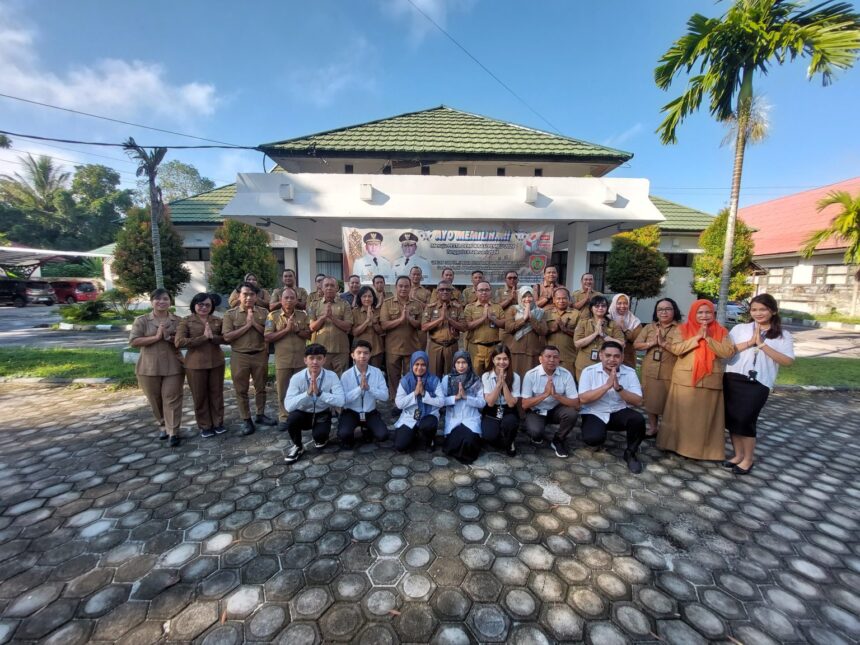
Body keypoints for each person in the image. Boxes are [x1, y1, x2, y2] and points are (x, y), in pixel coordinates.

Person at [723, 294, 795, 475]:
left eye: (763, 309)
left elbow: (787, 361)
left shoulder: (782, 335)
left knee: (746, 420)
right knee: (733, 419)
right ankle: (738, 455)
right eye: (754, 309)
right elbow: (726, 353)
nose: (758, 313)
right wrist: (750, 342)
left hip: (758, 383)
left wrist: (762, 345)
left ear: (773, 310)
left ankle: (748, 459)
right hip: (733, 378)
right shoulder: (740, 328)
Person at [657, 299, 735, 461]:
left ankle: (702, 452)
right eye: (700, 312)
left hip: (709, 380)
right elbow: (676, 349)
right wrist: (697, 338)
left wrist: (708, 339)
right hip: (685, 379)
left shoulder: (721, 331)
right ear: (694, 313)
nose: (704, 316)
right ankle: (676, 446)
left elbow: (727, 352)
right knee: (682, 416)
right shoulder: (682, 329)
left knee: (704, 420)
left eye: (708, 312)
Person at [578, 341, 647, 473]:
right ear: (601, 356)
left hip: (618, 411)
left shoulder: (630, 372)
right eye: (608, 355)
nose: (612, 360)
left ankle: (630, 453)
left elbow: (638, 401)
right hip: (594, 412)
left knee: (638, 419)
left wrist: (619, 389)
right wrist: (606, 386)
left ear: (622, 357)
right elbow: (583, 399)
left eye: (616, 356)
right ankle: (597, 433)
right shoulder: (589, 371)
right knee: (593, 439)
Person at [129, 288, 184, 447]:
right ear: (152, 301)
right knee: (155, 399)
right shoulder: (142, 321)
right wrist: (156, 337)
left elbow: (184, 339)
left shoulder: (178, 320)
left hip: (173, 366)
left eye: (165, 299)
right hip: (149, 367)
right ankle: (162, 425)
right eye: (158, 299)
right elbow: (133, 342)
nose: (162, 302)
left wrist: (169, 337)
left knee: (172, 398)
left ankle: (173, 431)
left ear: (170, 302)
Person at [223, 282, 276, 435]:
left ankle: (260, 414)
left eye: (252, 294)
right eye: (245, 294)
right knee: (241, 390)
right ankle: (246, 419)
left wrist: (254, 324)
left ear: (256, 296)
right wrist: (246, 326)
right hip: (240, 356)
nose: (248, 298)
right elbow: (227, 337)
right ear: (239, 296)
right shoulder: (230, 314)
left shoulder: (264, 313)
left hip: (259, 354)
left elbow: (268, 334)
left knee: (261, 388)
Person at [283, 344, 345, 463]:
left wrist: (320, 393)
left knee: (320, 441)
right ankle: (298, 446)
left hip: (322, 413)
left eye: (319, 358)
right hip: (303, 413)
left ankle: (321, 436)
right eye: (311, 358)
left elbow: (341, 401)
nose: (315, 362)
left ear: (324, 360)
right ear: (305, 360)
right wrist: (307, 394)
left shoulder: (331, 376)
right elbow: (288, 406)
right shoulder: (297, 378)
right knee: (292, 419)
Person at [176, 292, 225, 438]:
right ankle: (205, 425)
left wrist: (213, 338)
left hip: (216, 362)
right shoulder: (186, 321)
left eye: (207, 305)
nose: (204, 307)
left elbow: (226, 338)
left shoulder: (217, 320)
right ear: (194, 305)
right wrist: (203, 338)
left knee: (217, 394)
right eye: (200, 304)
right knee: (200, 396)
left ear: (212, 306)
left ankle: (218, 423)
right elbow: (179, 342)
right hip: (195, 364)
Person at [634, 298, 682, 437]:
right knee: (650, 400)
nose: (664, 312)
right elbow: (637, 345)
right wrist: (652, 343)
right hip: (649, 369)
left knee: (668, 401)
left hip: (670, 370)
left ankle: (667, 430)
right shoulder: (650, 327)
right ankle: (653, 427)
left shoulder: (681, 328)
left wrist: (664, 343)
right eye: (660, 309)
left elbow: (682, 349)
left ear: (674, 311)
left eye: (667, 309)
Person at [264, 287, 311, 430]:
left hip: (300, 360)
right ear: (281, 300)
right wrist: (285, 330)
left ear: (297, 300)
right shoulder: (272, 316)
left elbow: (310, 334)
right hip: (283, 360)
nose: (289, 300)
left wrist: (297, 330)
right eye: (286, 298)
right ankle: (284, 417)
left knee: (302, 389)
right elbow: (267, 336)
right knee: (283, 389)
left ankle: (301, 414)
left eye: (292, 298)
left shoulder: (303, 316)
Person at [521, 345, 580, 458]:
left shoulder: (566, 374)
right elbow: (524, 404)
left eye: (555, 357)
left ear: (559, 359)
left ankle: (558, 440)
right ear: (540, 359)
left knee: (572, 413)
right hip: (537, 410)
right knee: (535, 432)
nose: (552, 360)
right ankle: (534, 432)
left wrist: (556, 395)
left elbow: (576, 403)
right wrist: (545, 395)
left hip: (556, 409)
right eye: (548, 356)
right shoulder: (531, 375)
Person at [338, 340, 390, 448]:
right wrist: (359, 389)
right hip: (351, 412)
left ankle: (365, 428)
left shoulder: (377, 372)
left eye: (366, 353)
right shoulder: (346, 375)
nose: (362, 356)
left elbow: (385, 396)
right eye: (359, 352)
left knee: (383, 435)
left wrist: (369, 389)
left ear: (370, 355)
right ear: (353, 355)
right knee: (344, 435)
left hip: (370, 412)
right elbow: (343, 400)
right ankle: (359, 429)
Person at [380, 275, 425, 397]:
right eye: (400, 286)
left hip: (411, 348)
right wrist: (400, 320)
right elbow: (384, 325)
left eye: (406, 286)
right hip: (393, 348)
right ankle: (395, 402)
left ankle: (410, 399)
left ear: (410, 287)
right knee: (393, 377)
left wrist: (410, 319)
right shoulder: (387, 303)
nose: (403, 289)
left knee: (410, 376)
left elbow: (422, 325)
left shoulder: (416, 304)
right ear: (396, 287)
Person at [393, 351, 443, 452]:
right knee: (400, 446)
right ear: (412, 364)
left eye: (423, 365)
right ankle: (414, 433)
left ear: (427, 365)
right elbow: (399, 404)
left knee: (429, 424)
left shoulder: (434, 380)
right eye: (417, 364)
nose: (420, 368)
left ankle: (429, 440)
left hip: (428, 416)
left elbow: (441, 402)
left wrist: (424, 393)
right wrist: (415, 393)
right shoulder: (405, 381)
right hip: (410, 417)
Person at [440, 352, 485, 464]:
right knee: (455, 442)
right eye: (458, 362)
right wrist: (455, 397)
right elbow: (441, 401)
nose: (461, 366)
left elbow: (482, 403)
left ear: (469, 363)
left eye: (464, 362)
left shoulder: (476, 380)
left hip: (470, 419)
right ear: (454, 364)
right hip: (454, 420)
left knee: (468, 441)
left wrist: (466, 397)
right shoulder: (447, 379)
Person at [481, 344, 521, 456]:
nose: (502, 362)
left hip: (508, 409)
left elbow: (512, 403)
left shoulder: (515, 377)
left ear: (509, 360)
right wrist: (498, 385)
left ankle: (510, 441)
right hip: (492, 409)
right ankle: (502, 438)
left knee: (510, 423)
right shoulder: (486, 376)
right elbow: (490, 402)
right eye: (498, 358)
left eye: (505, 359)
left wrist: (504, 384)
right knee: (488, 436)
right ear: (493, 360)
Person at [308, 277, 353, 375]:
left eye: (332, 285)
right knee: (322, 379)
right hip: (321, 352)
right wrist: (323, 317)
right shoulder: (313, 305)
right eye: (326, 285)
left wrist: (332, 317)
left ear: (337, 288)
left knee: (341, 381)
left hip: (340, 351)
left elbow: (348, 326)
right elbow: (312, 327)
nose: (329, 288)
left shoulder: (345, 304)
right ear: (322, 288)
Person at [573, 295, 625, 380]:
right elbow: (577, 343)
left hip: (605, 364)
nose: (600, 308)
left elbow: (621, 343)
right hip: (584, 363)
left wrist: (604, 335)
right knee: (584, 390)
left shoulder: (613, 324)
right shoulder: (583, 323)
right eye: (597, 306)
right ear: (591, 308)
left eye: (603, 306)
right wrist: (595, 334)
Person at [422, 281, 466, 376]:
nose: (445, 292)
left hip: (451, 346)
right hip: (435, 346)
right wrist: (440, 319)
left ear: (451, 293)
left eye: (447, 290)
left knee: (451, 376)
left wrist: (449, 319)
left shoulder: (457, 307)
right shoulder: (430, 308)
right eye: (442, 290)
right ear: (437, 293)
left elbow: (463, 327)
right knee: (434, 376)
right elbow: (424, 327)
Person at [463, 281, 504, 375]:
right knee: (475, 376)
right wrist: (483, 318)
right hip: (476, 348)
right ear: (476, 292)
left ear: (491, 292)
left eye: (487, 290)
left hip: (493, 348)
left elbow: (504, 324)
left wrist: (492, 318)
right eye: (481, 290)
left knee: (492, 376)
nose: (484, 292)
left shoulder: (497, 307)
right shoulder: (470, 307)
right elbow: (466, 326)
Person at [505, 285, 548, 376]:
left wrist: (531, 318)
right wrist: (523, 319)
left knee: (531, 378)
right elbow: (508, 328)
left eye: (530, 296)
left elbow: (543, 331)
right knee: (515, 377)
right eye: (524, 296)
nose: (527, 299)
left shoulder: (540, 312)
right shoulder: (513, 309)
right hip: (516, 350)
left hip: (533, 351)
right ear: (520, 297)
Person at [544, 287, 579, 368]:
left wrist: (565, 330)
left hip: (568, 357)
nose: (561, 301)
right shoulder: (546, 313)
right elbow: (541, 333)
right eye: (558, 298)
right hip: (549, 358)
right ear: (553, 300)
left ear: (569, 299)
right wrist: (552, 330)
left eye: (564, 298)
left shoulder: (576, 314)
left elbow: (581, 336)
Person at [351, 286, 385, 370]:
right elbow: (354, 332)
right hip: (360, 351)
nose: (367, 299)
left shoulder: (379, 311)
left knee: (375, 375)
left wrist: (373, 321)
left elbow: (382, 332)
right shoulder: (354, 312)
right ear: (360, 298)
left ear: (373, 298)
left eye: (370, 296)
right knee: (360, 374)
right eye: (364, 296)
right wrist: (367, 321)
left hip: (376, 350)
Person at [608, 293, 643, 368]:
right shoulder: (606, 318)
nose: (622, 306)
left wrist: (624, 328)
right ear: (614, 304)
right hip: (608, 355)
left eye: (625, 303)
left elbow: (638, 339)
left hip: (627, 357)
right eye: (619, 303)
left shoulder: (634, 321)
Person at [494, 270, 519, 347]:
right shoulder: (499, 292)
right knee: (503, 350)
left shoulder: (522, 291)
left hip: (519, 325)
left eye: (515, 278)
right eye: (510, 278)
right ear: (505, 280)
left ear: (518, 280)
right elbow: (496, 308)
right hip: (504, 326)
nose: (512, 280)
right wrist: (510, 299)